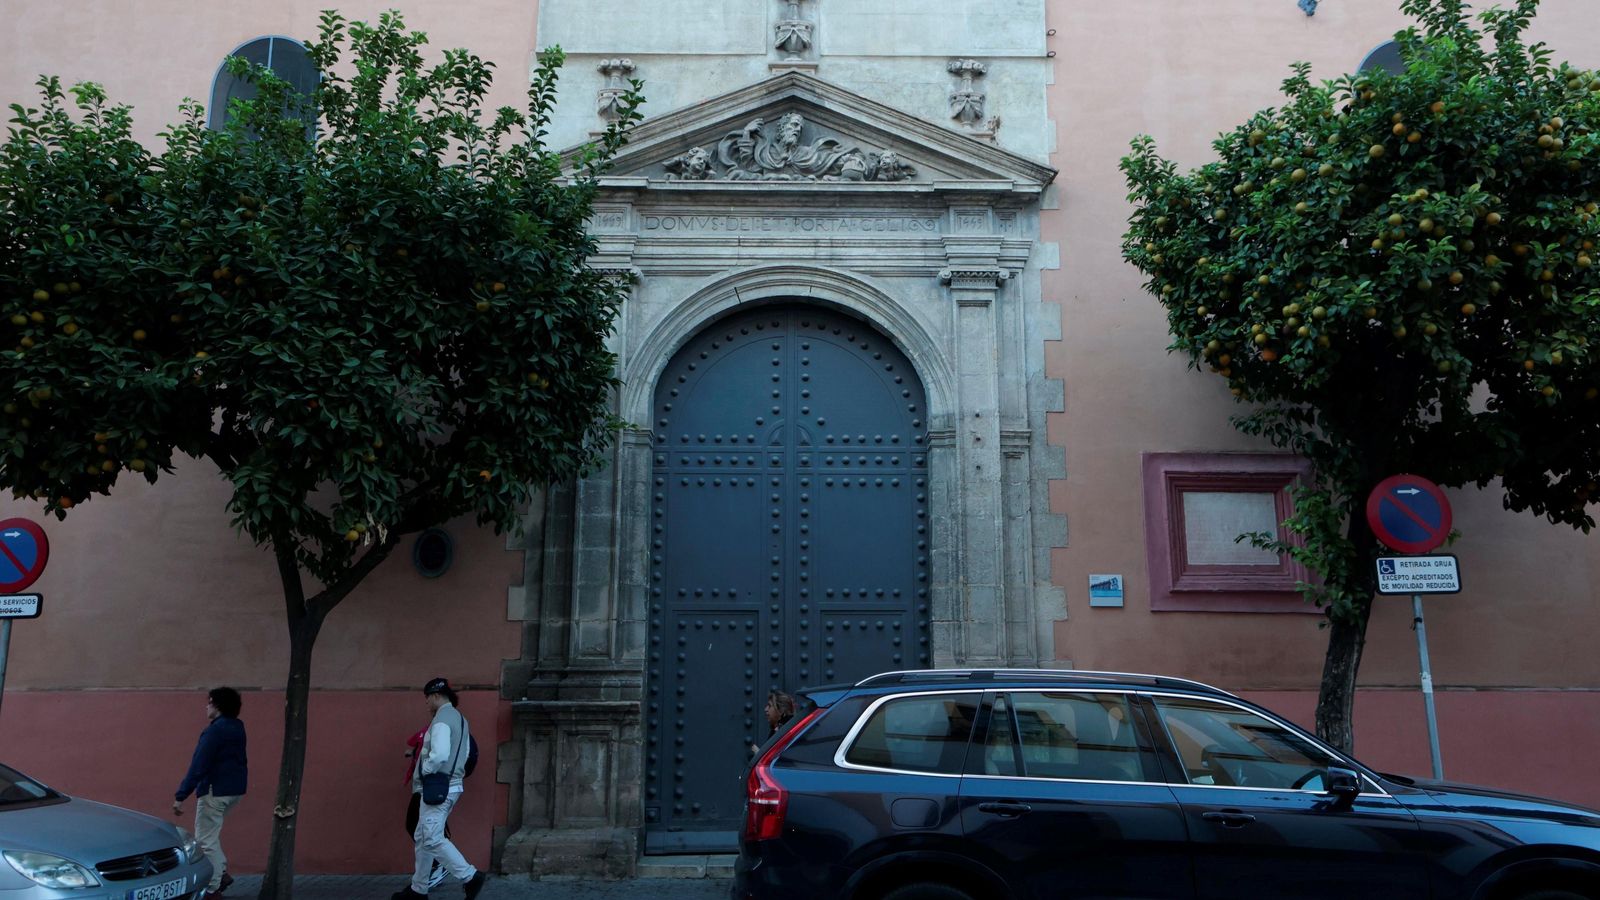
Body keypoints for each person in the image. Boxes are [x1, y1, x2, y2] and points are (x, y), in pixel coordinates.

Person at [393, 678, 486, 900]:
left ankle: (470, 876)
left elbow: (441, 754)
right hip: (451, 784)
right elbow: (462, 754)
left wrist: (425, 767)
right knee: (422, 835)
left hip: (438, 785)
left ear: (436, 696)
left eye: (427, 698)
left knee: (432, 837)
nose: (426, 703)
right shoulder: (460, 719)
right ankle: (418, 889)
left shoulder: (442, 719)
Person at [173, 687, 247, 899]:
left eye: (209, 702)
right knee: (211, 837)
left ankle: (213, 888)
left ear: (217, 705)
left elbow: (199, 765)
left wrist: (181, 796)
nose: (206, 706)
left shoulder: (215, 731)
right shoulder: (238, 727)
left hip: (215, 791)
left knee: (205, 841)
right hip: (234, 791)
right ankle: (221, 874)